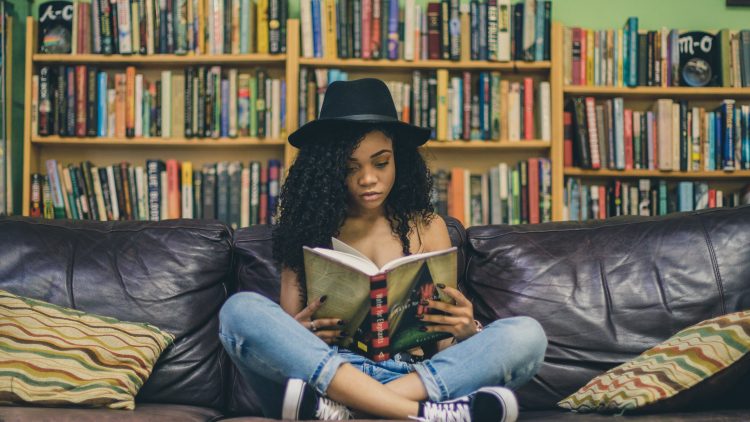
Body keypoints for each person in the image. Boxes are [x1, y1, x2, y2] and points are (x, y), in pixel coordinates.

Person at [218, 78, 547, 422]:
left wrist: (466, 329)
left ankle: (353, 410)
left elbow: (444, 346)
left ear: (399, 160)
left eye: (380, 162)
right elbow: (287, 346)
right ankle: (424, 415)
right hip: (329, 374)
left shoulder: (429, 227)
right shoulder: (304, 231)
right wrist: (299, 333)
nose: (368, 179)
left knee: (526, 336)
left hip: (410, 378)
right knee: (239, 312)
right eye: (350, 167)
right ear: (328, 170)